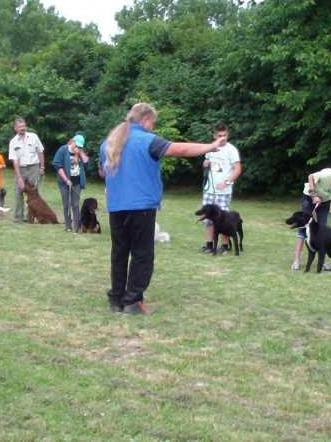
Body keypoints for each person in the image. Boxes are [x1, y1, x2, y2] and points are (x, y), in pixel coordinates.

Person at [99, 103, 224, 315]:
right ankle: (133, 302)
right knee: (142, 255)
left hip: (116, 207)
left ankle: (116, 300)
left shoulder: (108, 144)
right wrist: (210, 147)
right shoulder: (148, 140)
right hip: (141, 207)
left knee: (119, 253)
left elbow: (103, 173)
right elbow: (181, 149)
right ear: (145, 120)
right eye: (153, 123)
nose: (153, 127)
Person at [291, 167, 331, 271]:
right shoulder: (326, 175)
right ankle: (296, 261)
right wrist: (314, 195)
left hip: (325, 201)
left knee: (322, 229)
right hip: (309, 195)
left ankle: (322, 261)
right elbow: (310, 177)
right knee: (303, 228)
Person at [200, 123, 242, 254]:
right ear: (215, 136)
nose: (222, 138)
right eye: (220, 136)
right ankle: (209, 245)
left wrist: (227, 182)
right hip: (209, 189)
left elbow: (237, 169)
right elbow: (206, 163)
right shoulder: (211, 148)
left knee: (223, 219)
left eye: (225, 135)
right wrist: (205, 164)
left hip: (223, 191)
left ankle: (225, 246)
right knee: (208, 218)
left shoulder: (231, 150)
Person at [8, 118, 45, 224]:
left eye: (23, 126)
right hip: (21, 168)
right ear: (15, 128)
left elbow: (40, 152)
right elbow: (15, 161)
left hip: (34, 167)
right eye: (20, 127)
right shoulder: (13, 142)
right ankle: (18, 218)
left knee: (33, 193)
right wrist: (19, 177)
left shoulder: (33, 137)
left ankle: (30, 217)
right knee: (18, 191)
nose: (22, 128)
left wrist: (42, 167)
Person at [53, 135, 90, 232]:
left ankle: (77, 227)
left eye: (79, 146)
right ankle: (68, 226)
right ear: (72, 141)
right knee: (66, 204)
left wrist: (80, 152)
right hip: (64, 182)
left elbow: (87, 163)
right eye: (76, 145)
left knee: (75, 204)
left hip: (76, 181)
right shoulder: (63, 150)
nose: (76, 147)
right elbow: (58, 166)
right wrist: (66, 180)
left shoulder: (79, 152)